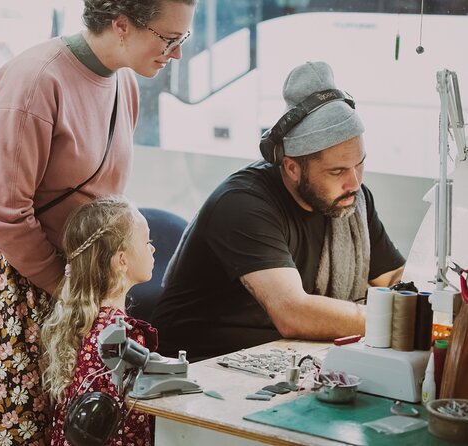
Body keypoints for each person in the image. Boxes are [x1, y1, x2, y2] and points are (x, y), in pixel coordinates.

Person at [0, 1, 196, 444]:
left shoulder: (125, 83)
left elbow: (103, 196)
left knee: (61, 426)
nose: (177, 54)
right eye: (169, 39)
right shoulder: (35, 81)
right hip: (9, 280)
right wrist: (71, 292)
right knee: (7, 426)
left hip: (68, 281)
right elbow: (5, 212)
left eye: (183, 40)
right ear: (121, 24)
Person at [152, 61, 406, 362]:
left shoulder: (352, 201)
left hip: (282, 359)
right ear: (292, 167)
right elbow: (293, 312)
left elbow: (394, 281)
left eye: (359, 164)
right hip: (202, 370)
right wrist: (398, 321)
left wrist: (428, 304)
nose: (354, 182)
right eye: (337, 171)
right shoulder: (242, 204)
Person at [41, 197, 157, 446]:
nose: (153, 248)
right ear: (122, 260)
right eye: (147, 241)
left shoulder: (81, 320)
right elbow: (131, 423)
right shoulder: (122, 336)